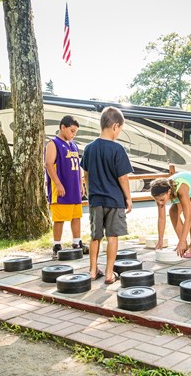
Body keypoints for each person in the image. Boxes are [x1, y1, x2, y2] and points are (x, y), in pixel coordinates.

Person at [80, 107, 133, 284]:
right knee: (112, 236)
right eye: (121, 130)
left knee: (95, 236)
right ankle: (110, 273)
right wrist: (128, 197)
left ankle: (93, 271)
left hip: (96, 200)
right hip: (115, 200)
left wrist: (89, 192)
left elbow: (85, 174)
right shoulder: (118, 149)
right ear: (115, 126)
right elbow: (123, 177)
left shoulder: (89, 148)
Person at [45, 115, 86, 258]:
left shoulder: (73, 145)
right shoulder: (53, 143)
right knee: (60, 218)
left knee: (76, 216)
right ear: (63, 127)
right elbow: (49, 164)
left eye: (75, 132)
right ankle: (57, 244)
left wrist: (81, 184)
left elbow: (78, 166)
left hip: (74, 187)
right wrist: (57, 183)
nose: (74, 134)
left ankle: (77, 241)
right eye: (72, 131)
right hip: (61, 188)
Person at [150, 172, 191, 258]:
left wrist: (181, 241)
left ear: (168, 192)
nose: (160, 203)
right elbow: (161, 218)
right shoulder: (160, 195)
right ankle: (184, 245)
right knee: (173, 213)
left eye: (162, 199)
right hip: (188, 189)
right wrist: (160, 240)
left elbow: (188, 218)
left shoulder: (181, 189)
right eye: (157, 200)